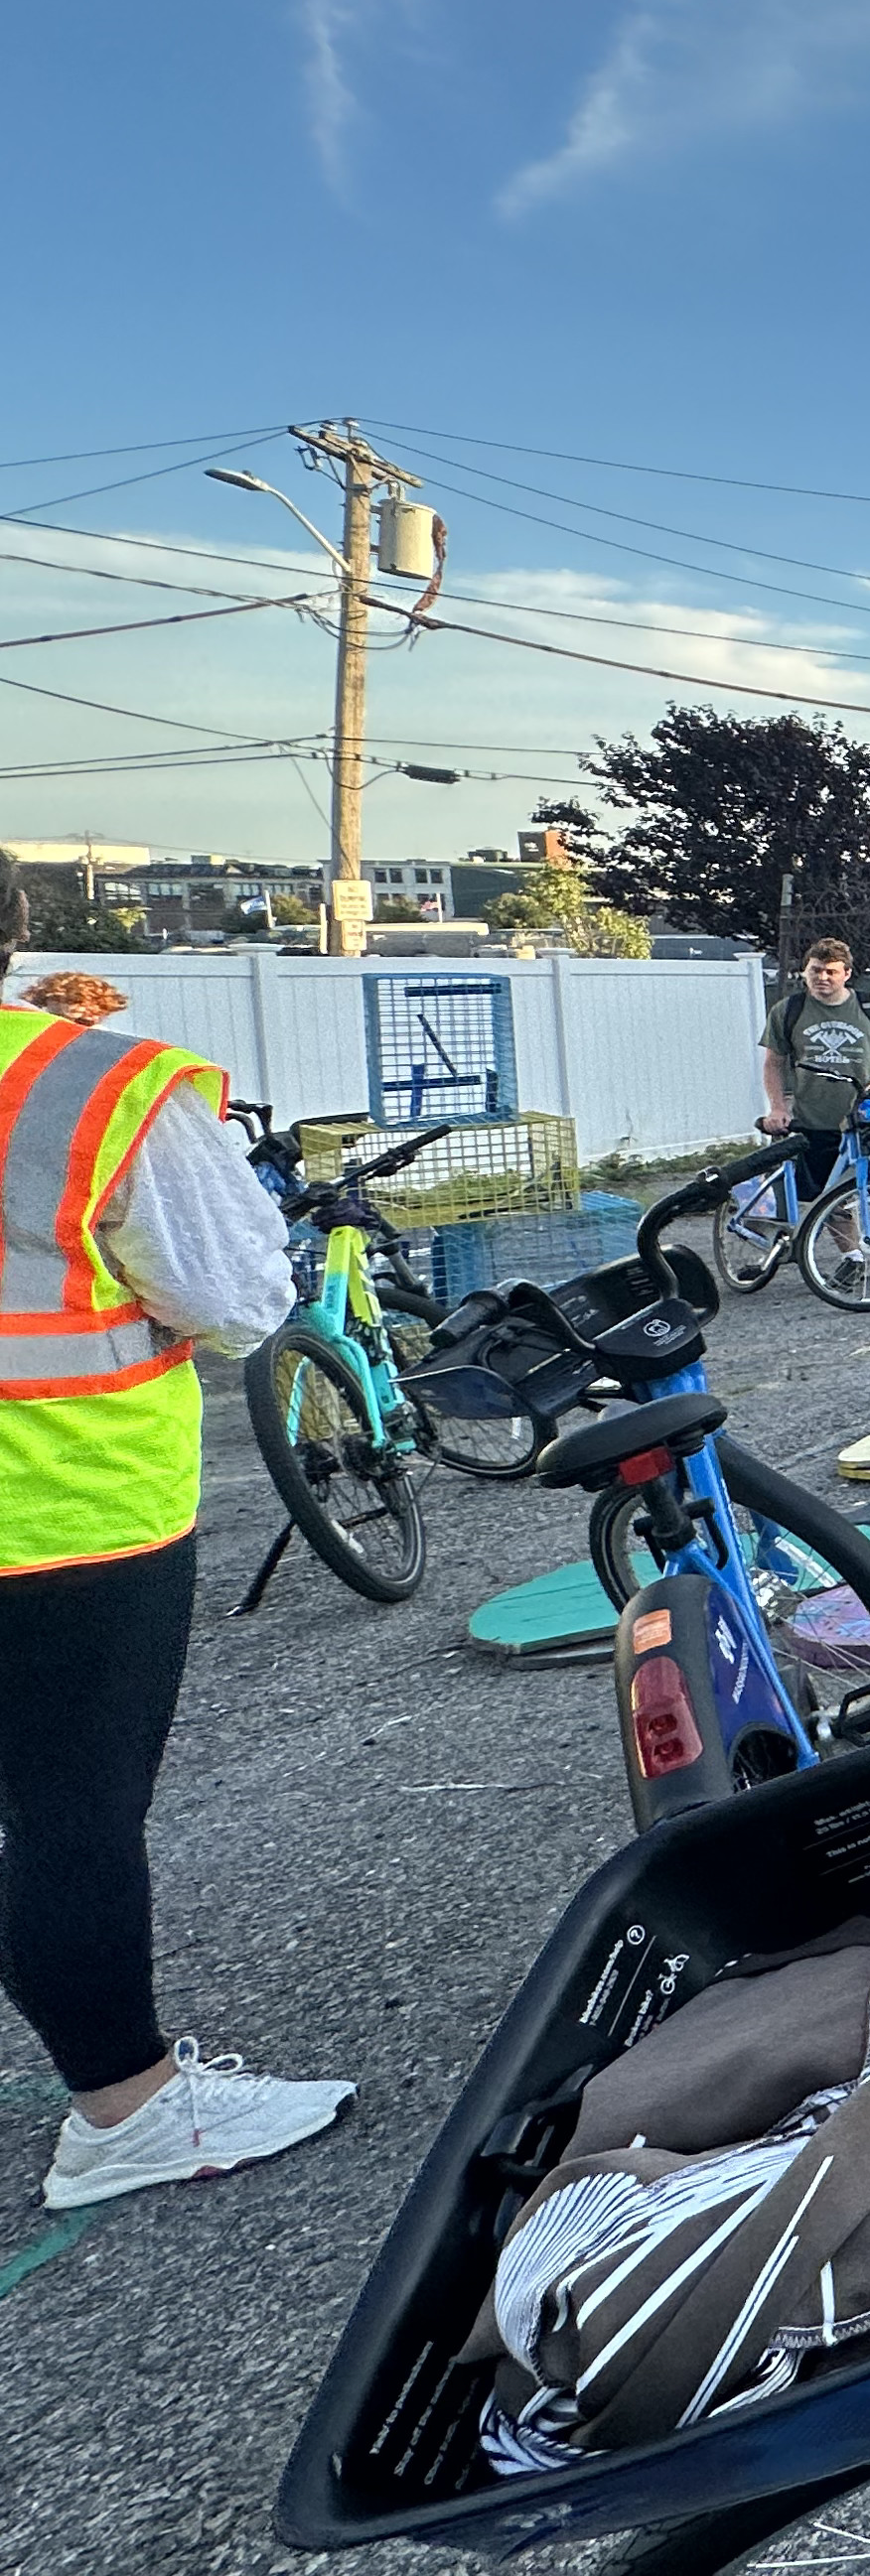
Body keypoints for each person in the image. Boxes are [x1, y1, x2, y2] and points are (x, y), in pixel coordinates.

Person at [0, 878, 357, 2208]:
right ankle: (126, 2107)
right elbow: (235, 1300)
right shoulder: (89, 1086)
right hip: (58, 1510)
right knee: (69, 1815)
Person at [757, 936, 870, 1196]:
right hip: (814, 1121)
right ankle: (848, 1241)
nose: (823, 977)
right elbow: (773, 1064)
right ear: (805, 971)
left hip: (867, 1117)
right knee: (830, 1197)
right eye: (816, 970)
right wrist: (778, 1107)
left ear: (846, 974)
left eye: (831, 971)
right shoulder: (788, 1011)